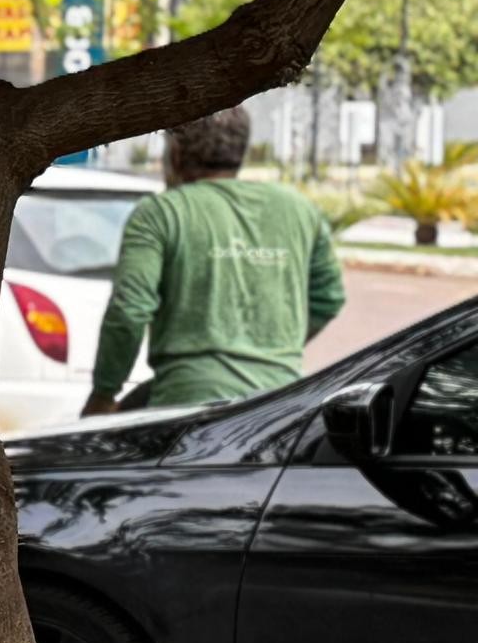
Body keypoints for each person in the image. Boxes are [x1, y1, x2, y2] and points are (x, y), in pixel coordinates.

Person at [85, 105, 344, 415]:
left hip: (183, 410)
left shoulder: (161, 213)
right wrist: (267, 349)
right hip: (279, 409)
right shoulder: (298, 209)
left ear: (176, 153)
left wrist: (104, 394)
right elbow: (329, 297)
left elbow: (128, 312)